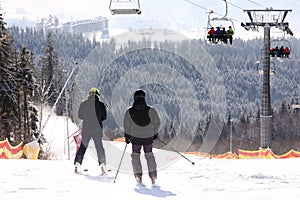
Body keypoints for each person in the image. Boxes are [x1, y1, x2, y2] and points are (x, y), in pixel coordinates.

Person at [123, 89, 161, 187]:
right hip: (148, 137)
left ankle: (138, 177)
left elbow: (126, 126)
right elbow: (157, 123)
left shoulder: (129, 111)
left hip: (135, 138)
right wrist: (154, 133)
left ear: (134, 98)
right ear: (144, 98)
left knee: (135, 156)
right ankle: (153, 177)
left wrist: (127, 137)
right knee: (149, 156)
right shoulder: (151, 110)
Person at [74, 87, 107, 174]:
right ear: (98, 95)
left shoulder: (84, 104)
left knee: (83, 147)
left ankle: (78, 163)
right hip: (97, 130)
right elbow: (104, 117)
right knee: (99, 148)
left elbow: (80, 116)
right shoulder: (101, 105)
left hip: (86, 129)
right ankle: (102, 164)